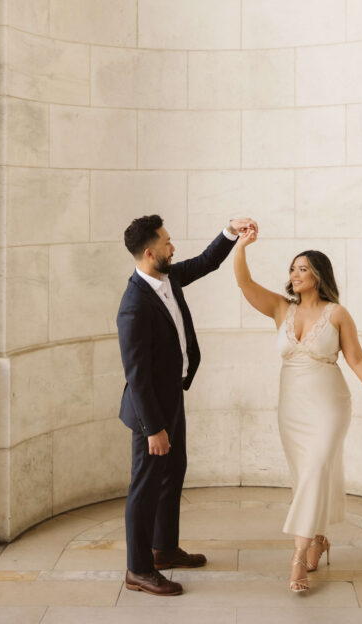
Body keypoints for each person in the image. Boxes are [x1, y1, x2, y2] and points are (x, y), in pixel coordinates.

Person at [233, 225, 362, 593]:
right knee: (305, 475)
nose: (294, 274)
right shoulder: (281, 308)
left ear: (318, 275)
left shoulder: (338, 313)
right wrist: (241, 244)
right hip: (292, 407)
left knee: (315, 469)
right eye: (292, 269)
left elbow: (355, 358)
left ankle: (298, 556)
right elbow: (244, 284)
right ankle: (319, 537)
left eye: (303, 268)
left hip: (330, 404)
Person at [117, 213, 257, 597]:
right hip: (150, 411)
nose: (172, 247)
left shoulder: (167, 277)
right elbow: (137, 376)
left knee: (173, 471)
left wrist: (231, 231)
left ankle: (164, 549)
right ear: (149, 252)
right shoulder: (133, 306)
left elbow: (206, 262)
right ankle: (138, 569)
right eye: (166, 242)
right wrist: (154, 429)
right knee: (144, 488)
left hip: (172, 397)